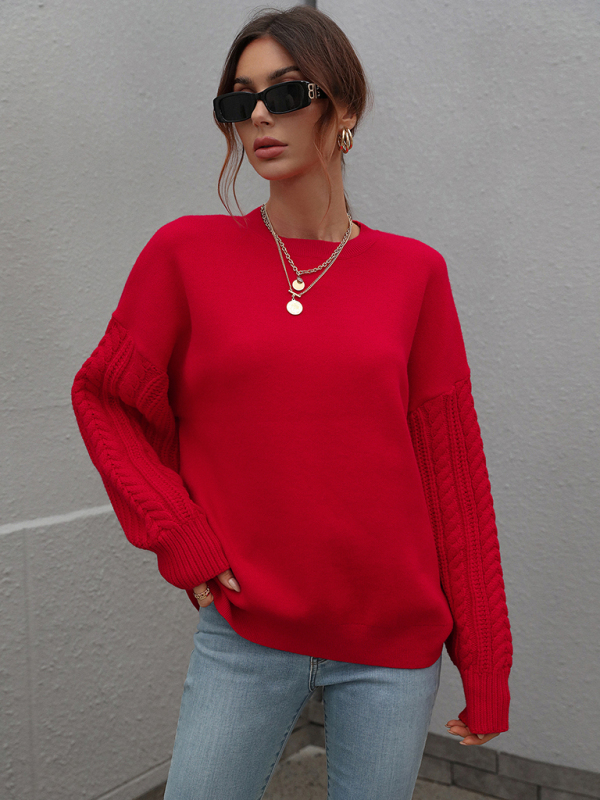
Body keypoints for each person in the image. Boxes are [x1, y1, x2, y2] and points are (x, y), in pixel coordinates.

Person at [71, 6, 513, 799]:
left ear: (343, 108)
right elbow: (105, 399)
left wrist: (484, 664)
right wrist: (181, 534)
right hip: (247, 634)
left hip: (391, 644)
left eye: (285, 91)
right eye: (239, 100)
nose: (259, 116)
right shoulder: (186, 255)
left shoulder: (414, 274)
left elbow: (453, 478)